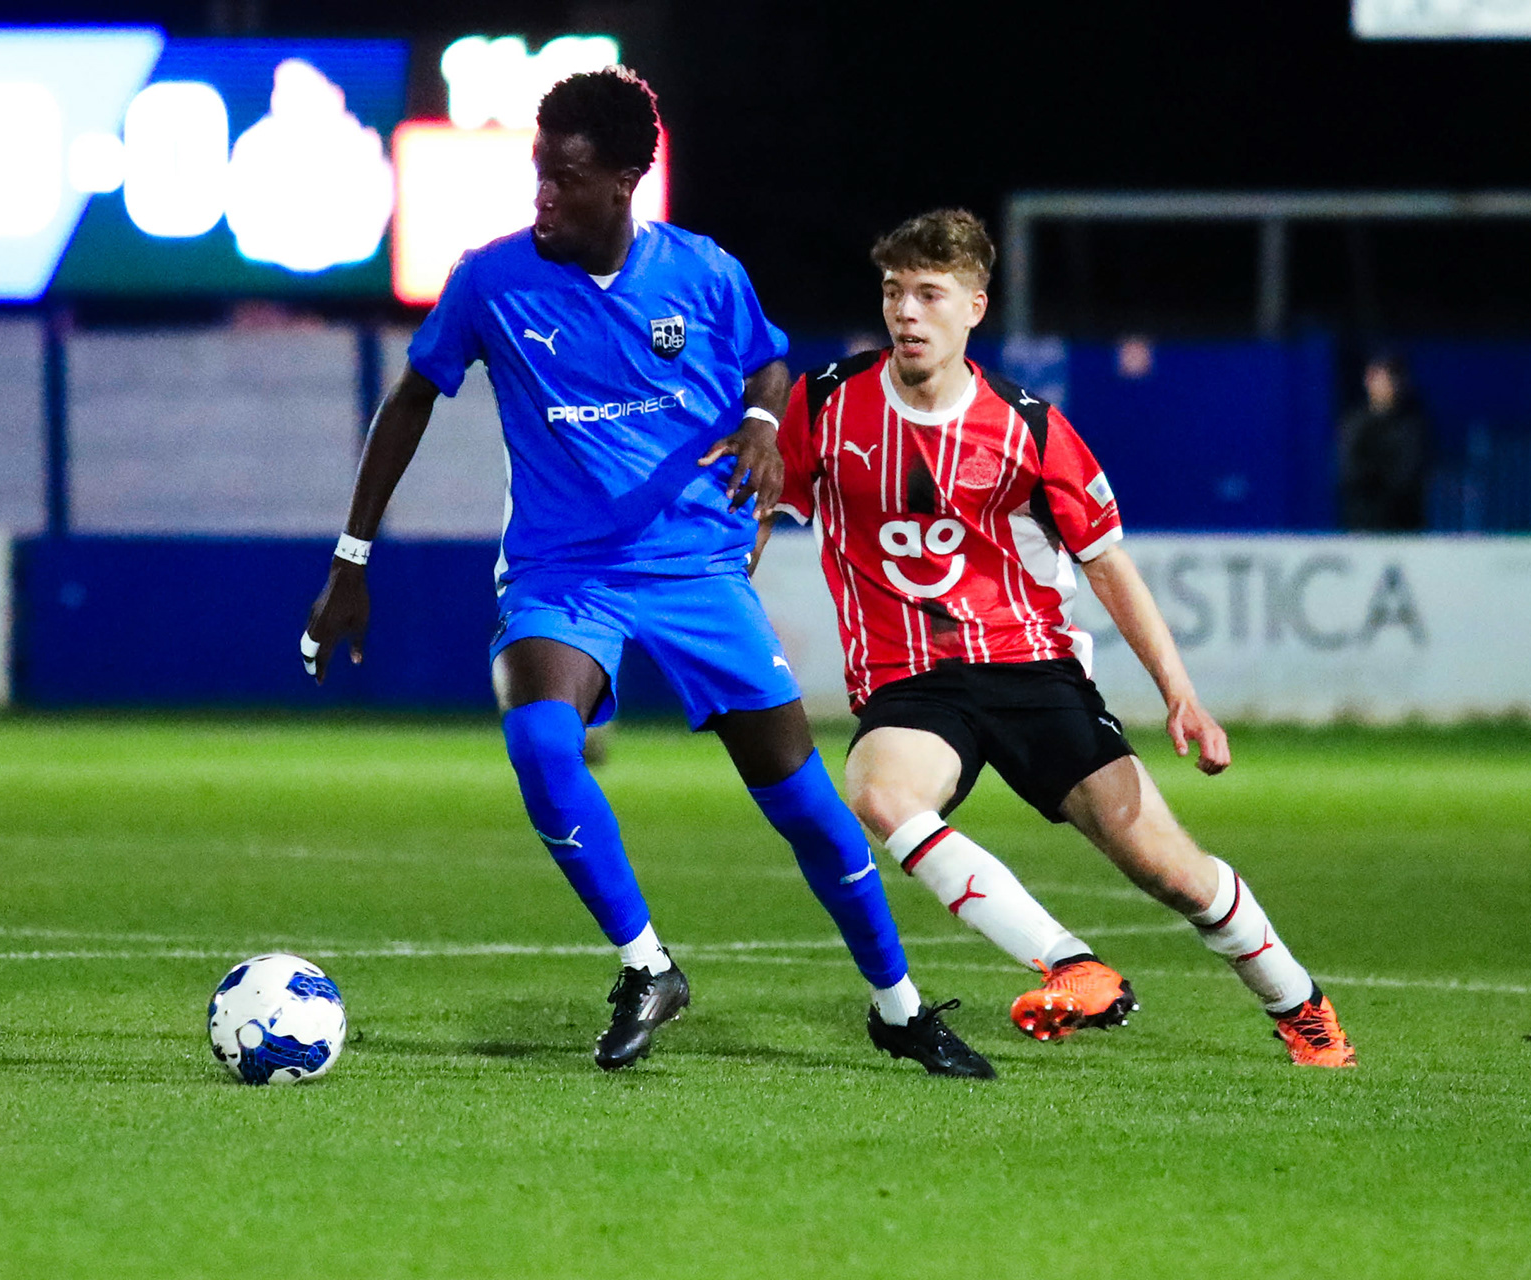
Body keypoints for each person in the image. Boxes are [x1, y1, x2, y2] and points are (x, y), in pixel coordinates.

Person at [302, 69, 991, 1078]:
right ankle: (646, 964)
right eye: (538, 173)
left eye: (565, 179)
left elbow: (768, 362)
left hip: (695, 568)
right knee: (540, 738)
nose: (541, 196)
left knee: (803, 804)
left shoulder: (704, 274)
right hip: (562, 571)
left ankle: (898, 1003)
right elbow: (409, 401)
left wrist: (761, 420)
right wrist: (350, 560)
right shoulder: (490, 281)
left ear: (625, 181)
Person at [762, 209, 1355, 1068]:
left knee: (1171, 870)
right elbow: (754, 508)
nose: (906, 313)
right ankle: (1074, 966)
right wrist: (720, 608)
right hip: (912, 683)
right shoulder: (825, 405)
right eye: (893, 293)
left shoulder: (1029, 427)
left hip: (1034, 670)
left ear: (975, 305)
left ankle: (1299, 1006)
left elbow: (1109, 565)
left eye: (930, 294)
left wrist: (1179, 693)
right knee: (882, 793)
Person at [1338, 354, 1428, 532]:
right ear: (1368, 380)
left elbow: (1408, 475)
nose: (1388, 385)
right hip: (1361, 525)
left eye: (1393, 378)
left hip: (1404, 527)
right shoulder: (1354, 423)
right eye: (1381, 378)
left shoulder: (1414, 425)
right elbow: (1348, 471)